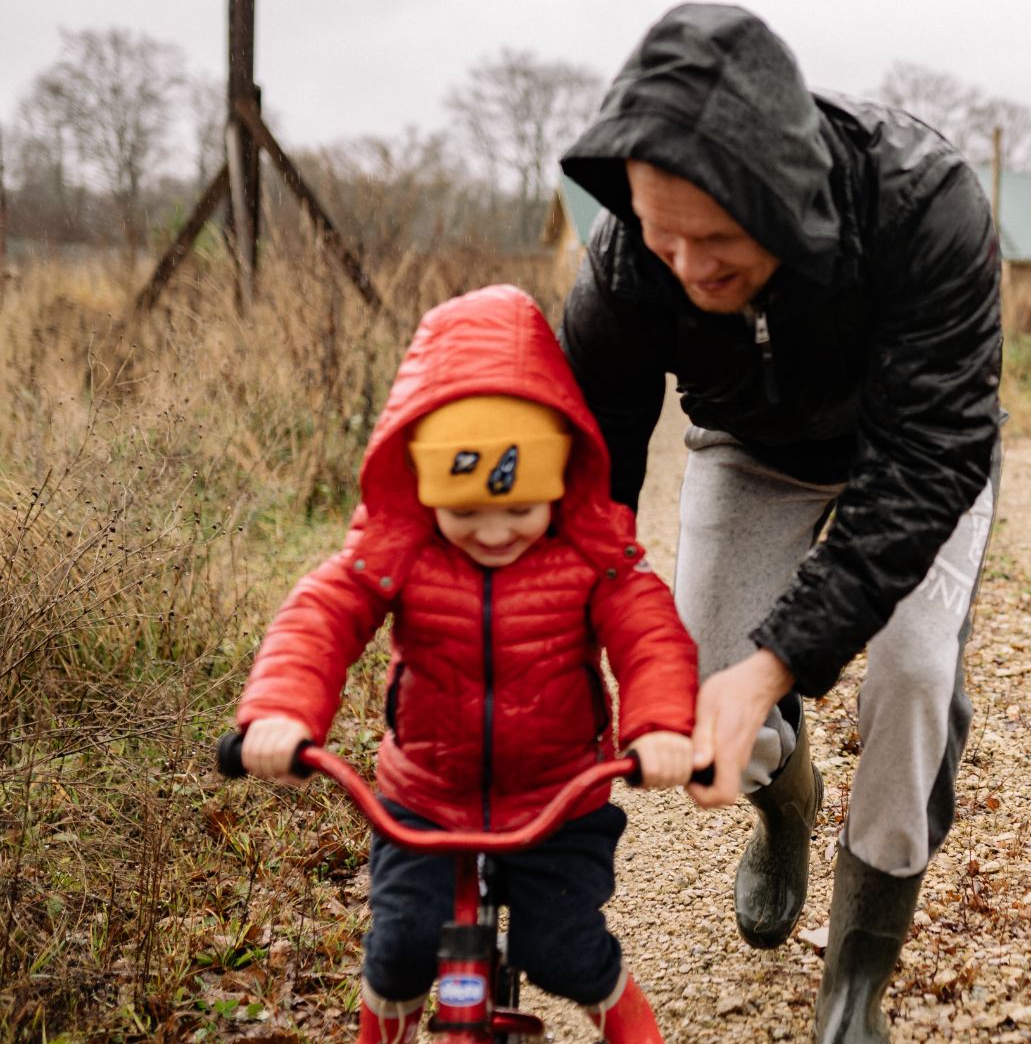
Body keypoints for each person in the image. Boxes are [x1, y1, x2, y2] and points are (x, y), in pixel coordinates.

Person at [557, 3, 1003, 1043]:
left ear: (783, 196)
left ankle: (856, 978)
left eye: (715, 239)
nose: (690, 269)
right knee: (705, 676)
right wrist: (572, 639)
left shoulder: (925, 204)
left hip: (914, 454)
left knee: (913, 676)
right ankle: (784, 803)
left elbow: (924, 468)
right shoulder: (628, 260)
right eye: (664, 237)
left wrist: (780, 660)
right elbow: (595, 476)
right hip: (748, 448)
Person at [233, 284, 699, 1043]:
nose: (493, 532)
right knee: (401, 951)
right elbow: (322, 614)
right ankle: (380, 1027)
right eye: (466, 510)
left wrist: (663, 727)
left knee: (566, 951)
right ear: (423, 484)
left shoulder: (589, 553)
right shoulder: (400, 548)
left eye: (518, 509)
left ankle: (632, 1026)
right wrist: (282, 711)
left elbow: (649, 633)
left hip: (560, 799)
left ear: (557, 475)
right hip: (425, 799)